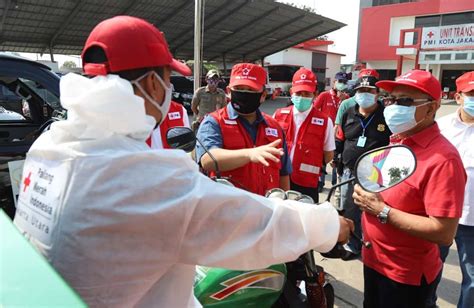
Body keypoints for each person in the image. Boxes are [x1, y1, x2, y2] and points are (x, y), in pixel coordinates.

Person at [12, 16, 353, 307]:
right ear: (149, 83)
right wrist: (328, 225)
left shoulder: (52, 145)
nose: (168, 90)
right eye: (165, 78)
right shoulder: (144, 176)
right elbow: (254, 226)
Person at [352, 70, 467, 308]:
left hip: (404, 275)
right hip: (375, 260)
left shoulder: (443, 159)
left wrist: (381, 210)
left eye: (404, 101)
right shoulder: (398, 141)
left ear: (431, 107)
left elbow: (444, 232)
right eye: (390, 99)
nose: (393, 107)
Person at [196, 63, 292, 194]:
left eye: (251, 90)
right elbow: (207, 159)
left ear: (263, 95)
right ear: (229, 92)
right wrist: (249, 154)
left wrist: (285, 206)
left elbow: (283, 173)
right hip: (229, 209)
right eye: (239, 88)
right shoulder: (214, 122)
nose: (244, 94)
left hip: (267, 208)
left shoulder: (274, 126)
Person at [336, 74, 391, 259]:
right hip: (349, 171)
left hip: (375, 173)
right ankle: (352, 244)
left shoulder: (387, 115)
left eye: (369, 91)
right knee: (347, 207)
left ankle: (370, 244)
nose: (364, 94)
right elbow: (341, 138)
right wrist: (338, 160)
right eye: (361, 91)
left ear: (377, 94)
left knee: (370, 209)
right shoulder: (348, 112)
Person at [436, 71, 474, 308]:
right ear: (458, 97)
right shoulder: (440, 126)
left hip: (472, 219)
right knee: (428, 271)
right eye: (472, 94)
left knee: (472, 281)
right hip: (438, 213)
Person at [273, 68, 335, 203]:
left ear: (315, 94)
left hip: (307, 183)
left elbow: (329, 154)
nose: (302, 97)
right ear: (291, 93)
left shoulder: (325, 121)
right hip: (278, 178)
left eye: (307, 93)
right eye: (298, 93)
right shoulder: (278, 115)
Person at [314, 71, 349, 191]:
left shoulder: (347, 99)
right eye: (340, 82)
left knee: (336, 158)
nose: (342, 84)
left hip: (339, 134)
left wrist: (343, 101)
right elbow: (314, 110)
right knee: (322, 157)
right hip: (324, 131)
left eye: (344, 82)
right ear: (334, 82)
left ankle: (335, 183)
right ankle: (320, 182)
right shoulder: (324, 95)